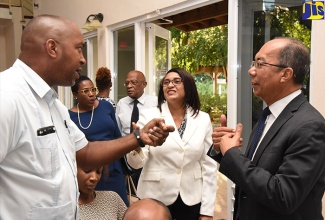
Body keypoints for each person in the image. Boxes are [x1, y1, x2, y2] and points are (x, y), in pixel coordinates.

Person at [0, 14, 174, 219]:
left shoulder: (53, 104)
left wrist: (138, 138)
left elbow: (86, 151)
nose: (83, 58)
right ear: (52, 48)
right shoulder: (7, 96)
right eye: (78, 48)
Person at [209, 37, 325, 220]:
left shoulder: (309, 125)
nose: (250, 70)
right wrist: (222, 149)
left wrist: (233, 154)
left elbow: (284, 196)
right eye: (253, 63)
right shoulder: (269, 115)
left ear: (285, 74)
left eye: (260, 64)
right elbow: (258, 172)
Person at [126, 68, 218, 220]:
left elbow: (209, 166)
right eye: (166, 82)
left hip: (191, 198)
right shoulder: (149, 115)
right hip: (155, 196)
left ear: (188, 86)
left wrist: (207, 211)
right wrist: (137, 144)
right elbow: (135, 164)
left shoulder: (203, 119)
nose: (170, 85)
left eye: (176, 81)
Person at [69, 75, 128, 206]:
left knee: (119, 206)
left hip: (113, 167)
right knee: (95, 208)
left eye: (93, 89)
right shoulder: (69, 117)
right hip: (88, 172)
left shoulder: (106, 106)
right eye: (86, 91)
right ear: (75, 95)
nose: (91, 94)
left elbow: (117, 137)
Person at [116, 70, 158, 187]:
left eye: (133, 83)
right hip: (127, 157)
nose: (129, 86)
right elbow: (118, 132)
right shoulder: (121, 104)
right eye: (127, 83)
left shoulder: (155, 102)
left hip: (149, 157)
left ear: (144, 84)